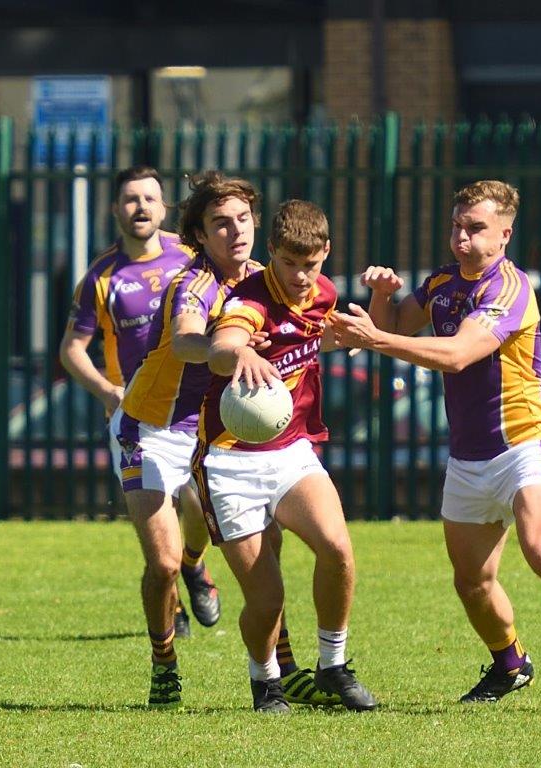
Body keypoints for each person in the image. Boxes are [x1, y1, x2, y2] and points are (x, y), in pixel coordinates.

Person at [330, 180, 541, 713]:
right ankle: (509, 664)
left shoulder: (509, 289)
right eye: (456, 226)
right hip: (469, 455)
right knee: (472, 580)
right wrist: (382, 296)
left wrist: (375, 339)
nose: (462, 238)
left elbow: (455, 355)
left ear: (504, 235)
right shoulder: (443, 282)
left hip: (527, 440)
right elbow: (396, 325)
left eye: (475, 229)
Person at [115, 174, 336, 709]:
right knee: (164, 563)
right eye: (220, 223)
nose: (234, 230)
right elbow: (190, 340)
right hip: (151, 427)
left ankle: (284, 670)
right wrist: (227, 347)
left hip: (211, 435)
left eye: (242, 218)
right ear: (201, 234)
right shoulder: (194, 285)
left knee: (268, 548)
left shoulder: (267, 278)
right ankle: (164, 661)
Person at [199, 199, 378, 714]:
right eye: (289, 264)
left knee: (338, 550)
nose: (301, 277)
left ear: (326, 253)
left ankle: (333, 667)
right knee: (267, 598)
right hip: (229, 461)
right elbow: (221, 344)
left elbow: (342, 340)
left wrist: (379, 309)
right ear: (271, 251)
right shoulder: (249, 300)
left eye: (312, 264)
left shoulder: (324, 293)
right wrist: (242, 351)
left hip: (292, 450)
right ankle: (266, 681)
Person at [59, 165, 220, 642]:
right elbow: (71, 349)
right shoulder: (101, 276)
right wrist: (109, 392)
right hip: (138, 418)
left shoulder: (192, 255)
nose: (141, 207)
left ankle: (195, 566)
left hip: (194, 408)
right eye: (131, 199)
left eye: (150, 198)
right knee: (159, 522)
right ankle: (173, 609)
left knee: (199, 511)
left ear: (164, 206)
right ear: (115, 210)